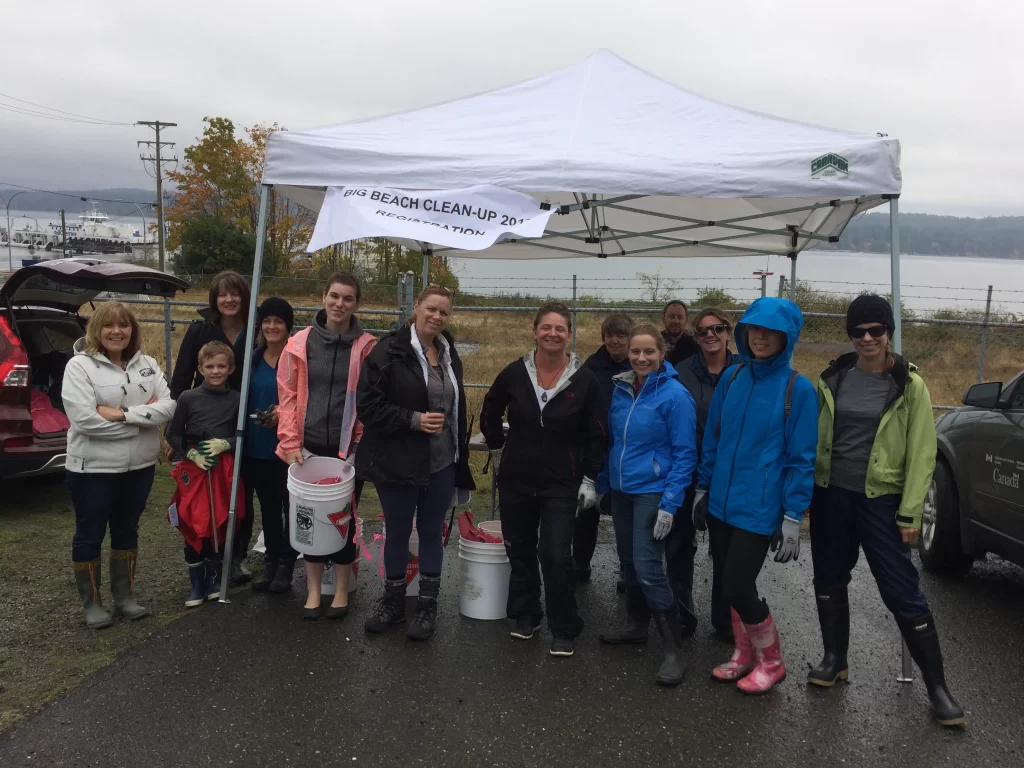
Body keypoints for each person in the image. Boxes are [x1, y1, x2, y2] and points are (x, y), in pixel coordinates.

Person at [808, 295, 964, 726]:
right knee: (828, 578)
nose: (867, 338)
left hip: (882, 501)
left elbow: (922, 453)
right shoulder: (832, 377)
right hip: (832, 496)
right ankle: (834, 658)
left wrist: (910, 513)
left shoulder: (909, 385)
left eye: (876, 330)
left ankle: (938, 689)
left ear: (889, 332)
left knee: (901, 590)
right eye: (858, 331)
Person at [692, 297, 817, 694]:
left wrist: (794, 514)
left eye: (770, 331)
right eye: (754, 329)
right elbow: (714, 437)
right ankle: (744, 655)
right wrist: (702, 487)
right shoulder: (732, 378)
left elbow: (802, 457)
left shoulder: (798, 390)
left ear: (787, 336)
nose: (760, 337)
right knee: (728, 584)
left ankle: (774, 661)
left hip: (760, 508)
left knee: (737, 586)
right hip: (722, 503)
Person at [480, 302, 605, 658]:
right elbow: (491, 407)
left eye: (560, 329)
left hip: (561, 483)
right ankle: (526, 614)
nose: (553, 334)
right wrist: (496, 441)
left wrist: (591, 478)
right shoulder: (515, 372)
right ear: (535, 331)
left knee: (554, 554)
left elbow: (596, 433)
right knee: (519, 550)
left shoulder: (583, 379)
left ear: (569, 334)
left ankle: (564, 626)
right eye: (546, 327)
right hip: (517, 479)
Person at [356, 286, 475, 640]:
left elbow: (457, 406)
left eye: (444, 312)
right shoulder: (387, 351)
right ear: (416, 308)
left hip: (441, 461)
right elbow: (368, 406)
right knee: (396, 530)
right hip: (397, 460)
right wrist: (412, 419)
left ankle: (426, 605)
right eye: (431, 309)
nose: (437, 317)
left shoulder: (450, 353)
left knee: (431, 531)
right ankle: (392, 601)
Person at [62, 302, 176, 629]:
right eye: (109, 325)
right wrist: (142, 419)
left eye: (124, 325)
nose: (117, 331)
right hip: (92, 469)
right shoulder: (79, 367)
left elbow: (168, 407)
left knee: (127, 530)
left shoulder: (148, 364)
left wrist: (121, 414)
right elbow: (85, 422)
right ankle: (93, 602)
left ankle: (124, 597)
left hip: (139, 467)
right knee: (90, 533)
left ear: (132, 329)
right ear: (97, 329)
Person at [597, 324, 697, 687]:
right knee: (627, 562)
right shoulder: (621, 389)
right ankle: (636, 626)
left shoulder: (674, 396)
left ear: (662, 354)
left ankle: (673, 650)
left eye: (648, 352)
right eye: (635, 352)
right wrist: (602, 484)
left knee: (647, 565)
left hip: (652, 491)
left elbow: (685, 454)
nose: (641, 358)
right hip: (622, 491)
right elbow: (615, 443)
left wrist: (670, 503)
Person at [276, 272, 376, 620]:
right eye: (334, 296)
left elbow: (370, 400)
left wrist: (360, 443)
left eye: (348, 298)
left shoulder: (367, 347)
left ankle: (342, 590)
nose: (339, 304)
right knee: (308, 520)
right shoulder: (298, 344)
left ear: (356, 304)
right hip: (307, 447)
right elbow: (287, 397)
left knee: (341, 519)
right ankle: (314, 590)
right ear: (323, 297)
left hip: (347, 450)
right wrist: (290, 443)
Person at [170, 269, 252, 585]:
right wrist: (174, 430)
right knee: (202, 498)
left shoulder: (256, 330)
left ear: (244, 296)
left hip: (240, 421)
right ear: (214, 299)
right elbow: (180, 379)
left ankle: (236, 557)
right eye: (222, 294)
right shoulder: (199, 330)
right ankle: (204, 557)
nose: (229, 300)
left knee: (240, 494)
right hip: (203, 427)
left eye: (235, 293)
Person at [674, 308, 736, 642]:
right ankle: (682, 616)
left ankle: (726, 619)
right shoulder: (680, 373)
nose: (710, 335)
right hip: (687, 474)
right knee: (680, 548)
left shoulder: (746, 372)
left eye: (718, 329)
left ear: (730, 332)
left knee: (726, 552)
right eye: (702, 331)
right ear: (695, 337)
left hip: (730, 477)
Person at [166, 341, 243, 607]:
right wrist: (190, 454)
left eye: (221, 366)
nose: (215, 371)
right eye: (209, 366)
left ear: (231, 368)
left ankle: (213, 579)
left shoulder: (236, 400)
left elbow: (243, 434)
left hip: (222, 469)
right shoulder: (188, 398)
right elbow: (173, 433)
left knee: (218, 523)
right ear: (200, 368)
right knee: (194, 520)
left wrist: (228, 444)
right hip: (195, 469)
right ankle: (196, 585)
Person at [243, 298, 298, 593]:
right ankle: (271, 561)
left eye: (278, 321)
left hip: (288, 448)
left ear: (288, 326)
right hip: (258, 445)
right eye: (267, 321)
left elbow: (304, 399)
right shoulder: (252, 360)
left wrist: (284, 414)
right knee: (268, 507)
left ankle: (287, 564)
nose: (272, 326)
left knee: (290, 506)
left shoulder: (296, 358)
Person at [578, 313, 634, 584]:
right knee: (586, 509)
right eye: (609, 335)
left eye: (621, 336)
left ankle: (628, 569)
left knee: (626, 513)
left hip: (627, 450)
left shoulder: (641, 365)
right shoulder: (591, 367)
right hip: (594, 447)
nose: (614, 341)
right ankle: (580, 564)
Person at [661, 300, 699, 366]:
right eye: (671, 316)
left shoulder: (696, 344)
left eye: (680, 317)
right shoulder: (656, 342)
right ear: (663, 319)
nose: (676, 321)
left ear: (686, 320)